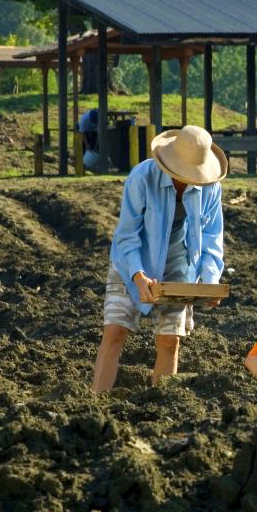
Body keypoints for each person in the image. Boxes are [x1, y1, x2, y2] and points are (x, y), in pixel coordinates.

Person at [91, 125, 228, 393]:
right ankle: (96, 401)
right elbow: (127, 235)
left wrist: (210, 282)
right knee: (115, 332)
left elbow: (212, 237)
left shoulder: (211, 187)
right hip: (132, 261)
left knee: (169, 340)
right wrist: (138, 275)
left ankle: (162, 403)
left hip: (179, 265)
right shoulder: (142, 177)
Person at [78, 108, 102, 172]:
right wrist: (87, 144)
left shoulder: (100, 119)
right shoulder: (84, 120)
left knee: (94, 146)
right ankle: (82, 167)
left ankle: (93, 168)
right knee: (82, 147)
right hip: (84, 131)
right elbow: (82, 133)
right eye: (92, 122)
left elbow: (99, 133)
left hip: (94, 131)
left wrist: (96, 143)